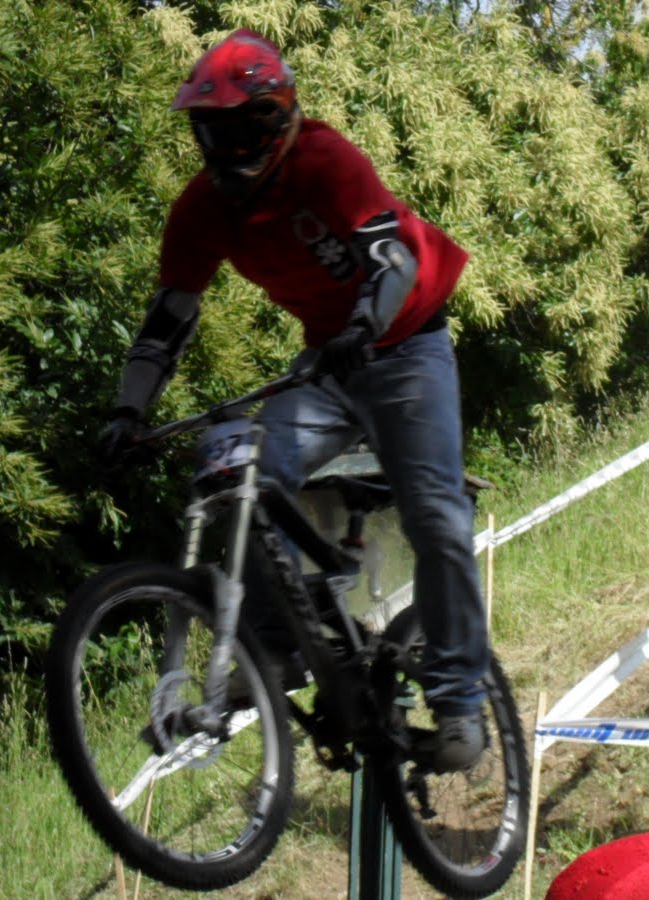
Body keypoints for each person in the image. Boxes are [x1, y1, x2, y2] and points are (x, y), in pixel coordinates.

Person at [97, 29, 487, 772]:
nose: (224, 149)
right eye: (209, 133)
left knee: (436, 514)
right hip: (328, 363)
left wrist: (365, 326)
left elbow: (394, 259)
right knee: (244, 479)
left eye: (239, 130)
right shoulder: (201, 209)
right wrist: (127, 413)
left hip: (406, 347)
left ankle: (461, 699)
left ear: (275, 120)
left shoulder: (324, 160)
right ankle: (278, 649)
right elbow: (169, 318)